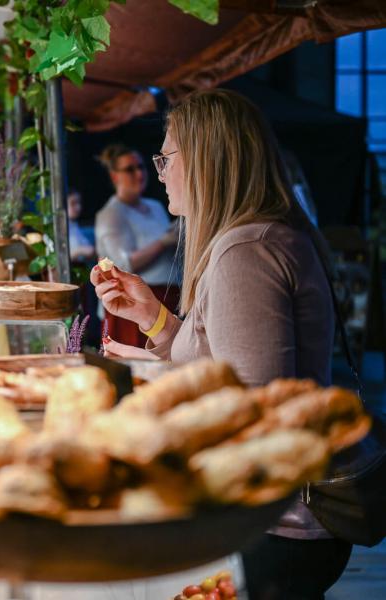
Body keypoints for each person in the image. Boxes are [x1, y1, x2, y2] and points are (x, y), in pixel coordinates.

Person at [91, 89, 349, 599]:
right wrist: (152, 318)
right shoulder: (260, 235)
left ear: (208, 158)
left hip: (273, 522)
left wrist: (146, 387)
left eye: (166, 157)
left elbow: (250, 405)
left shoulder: (246, 250)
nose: (159, 171)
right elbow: (219, 364)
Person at [94, 143, 180, 347]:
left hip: (167, 298)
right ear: (115, 176)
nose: (139, 174)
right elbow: (122, 265)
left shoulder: (156, 206)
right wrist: (164, 241)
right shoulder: (110, 214)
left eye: (141, 167)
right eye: (130, 169)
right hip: (135, 303)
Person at [66, 191, 96, 263]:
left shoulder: (74, 225)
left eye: (79, 203)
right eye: (73, 203)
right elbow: (59, 260)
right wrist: (80, 250)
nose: (78, 207)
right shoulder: (58, 229)